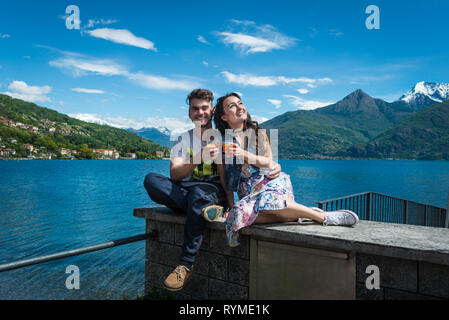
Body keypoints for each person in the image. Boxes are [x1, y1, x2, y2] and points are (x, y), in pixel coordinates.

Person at [143, 89, 282, 291]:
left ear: (212, 110)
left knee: (199, 193)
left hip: (212, 188)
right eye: (195, 109)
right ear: (189, 113)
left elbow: (250, 157)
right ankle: (203, 209)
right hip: (187, 189)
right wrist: (197, 157)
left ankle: (185, 264)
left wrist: (273, 165)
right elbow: (175, 175)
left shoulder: (224, 136)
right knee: (151, 180)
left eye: (204, 108)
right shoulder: (182, 140)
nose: (200, 112)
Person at [213, 92, 359, 247]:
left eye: (240, 103)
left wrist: (243, 154)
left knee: (266, 200)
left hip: (271, 184)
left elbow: (268, 162)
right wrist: (230, 205)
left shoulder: (258, 133)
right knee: (236, 212)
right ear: (224, 117)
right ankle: (299, 214)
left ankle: (324, 218)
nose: (239, 107)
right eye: (232, 106)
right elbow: (225, 178)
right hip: (250, 195)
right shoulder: (222, 144)